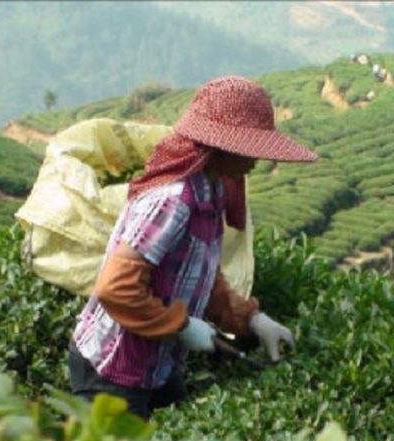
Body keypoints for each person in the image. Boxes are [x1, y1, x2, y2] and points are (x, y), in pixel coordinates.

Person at [68, 76, 318, 420]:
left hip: (158, 363)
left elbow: (198, 271)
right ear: (219, 147)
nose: (256, 160)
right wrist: (183, 327)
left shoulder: (211, 191)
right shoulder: (174, 201)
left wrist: (253, 319)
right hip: (113, 367)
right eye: (249, 148)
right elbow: (116, 289)